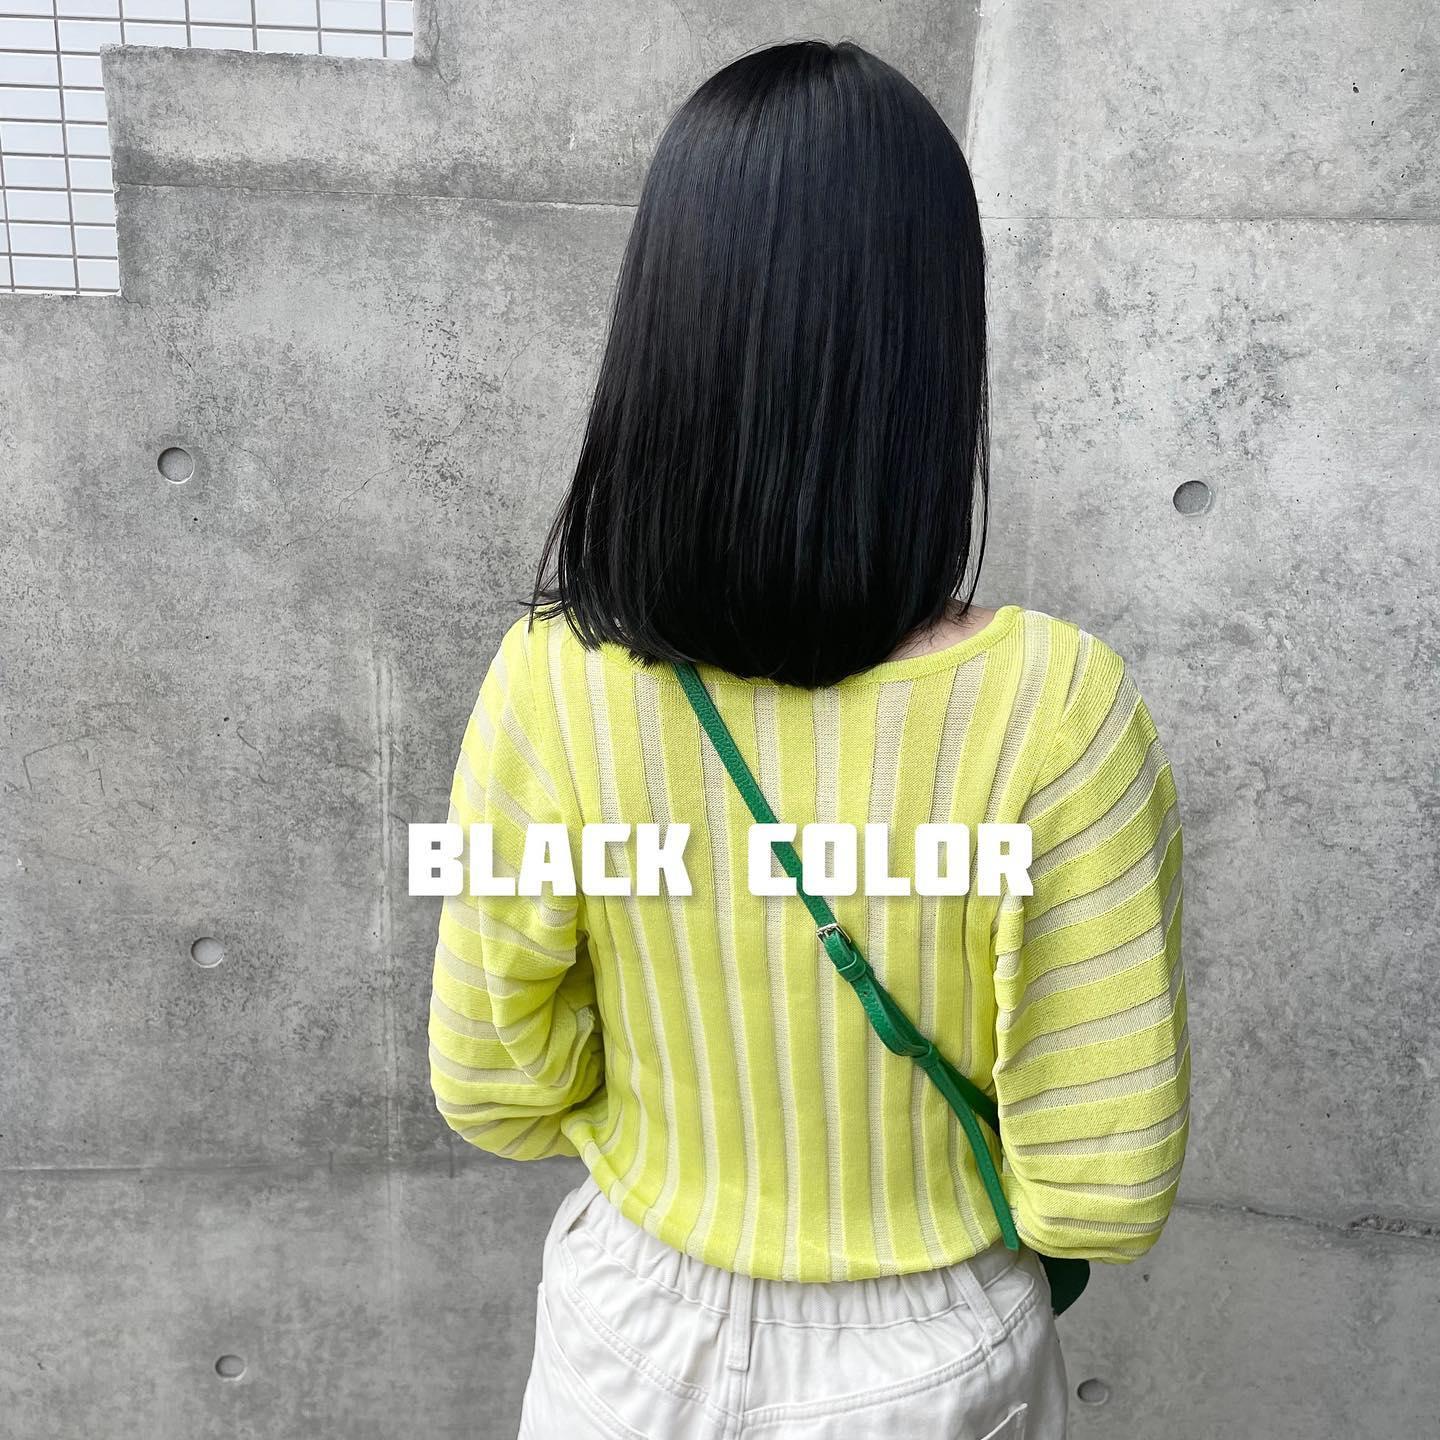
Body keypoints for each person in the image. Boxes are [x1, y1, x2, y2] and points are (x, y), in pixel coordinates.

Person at [427, 37, 1189, 1440]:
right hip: (925, 1365)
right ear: (931, 348)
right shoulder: (1057, 708)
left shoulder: (549, 680)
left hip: (627, 1334)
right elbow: (1102, 1185)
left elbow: (493, 1082)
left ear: (662, 323)